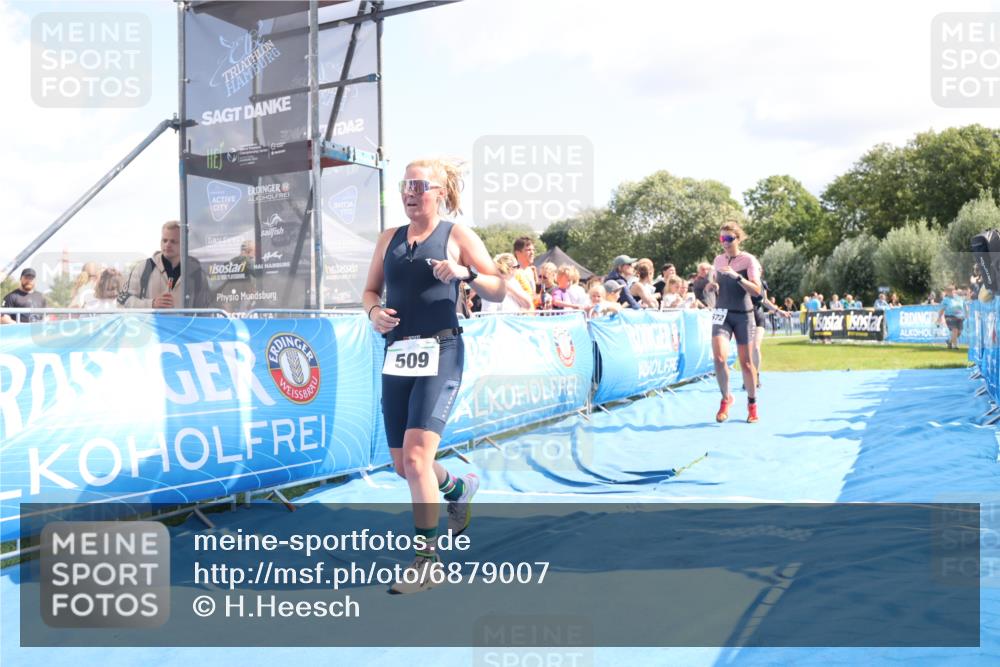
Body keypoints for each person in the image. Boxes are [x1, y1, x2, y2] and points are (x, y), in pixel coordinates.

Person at [363, 158, 505, 595]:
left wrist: (466, 273)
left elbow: (499, 286)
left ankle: (427, 562)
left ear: (440, 192)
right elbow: (370, 290)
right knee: (404, 465)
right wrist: (373, 312)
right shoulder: (389, 238)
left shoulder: (456, 235)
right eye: (405, 185)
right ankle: (459, 487)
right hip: (398, 352)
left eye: (419, 185)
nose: (410, 192)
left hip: (442, 350)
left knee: (418, 458)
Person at [705, 220, 762, 423]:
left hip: (743, 314)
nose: (725, 242)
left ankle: (752, 404)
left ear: (738, 238)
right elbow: (717, 284)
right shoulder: (718, 260)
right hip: (722, 313)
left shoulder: (748, 260)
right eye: (722, 238)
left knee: (746, 364)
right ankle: (725, 398)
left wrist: (737, 277)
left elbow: (757, 290)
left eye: (729, 238)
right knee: (719, 359)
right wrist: (712, 287)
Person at [118, 221, 210, 309]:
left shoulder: (196, 273)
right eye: (164, 240)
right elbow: (122, 301)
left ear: (184, 243)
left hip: (184, 325)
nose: (167, 245)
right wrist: (152, 304)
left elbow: (205, 310)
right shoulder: (143, 268)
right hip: (151, 325)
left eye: (173, 241)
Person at [512, 237, 537, 310]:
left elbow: (533, 295)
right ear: (518, 252)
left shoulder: (530, 271)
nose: (532, 253)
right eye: (528, 250)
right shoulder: (513, 272)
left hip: (531, 314)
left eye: (533, 250)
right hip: (519, 315)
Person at [938, 284, 966, 350]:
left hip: (960, 317)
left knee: (959, 332)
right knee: (955, 330)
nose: (951, 292)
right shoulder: (945, 300)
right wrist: (939, 317)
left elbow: (964, 306)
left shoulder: (960, 298)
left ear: (954, 291)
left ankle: (950, 341)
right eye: (949, 291)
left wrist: (966, 314)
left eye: (952, 291)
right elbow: (942, 309)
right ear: (946, 292)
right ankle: (955, 346)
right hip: (949, 316)